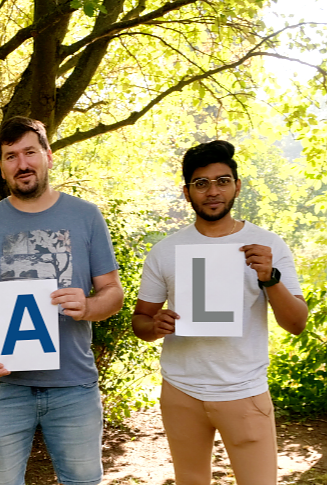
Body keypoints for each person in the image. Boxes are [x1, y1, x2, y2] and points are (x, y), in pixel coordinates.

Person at [0, 116, 124, 485]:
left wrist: (90, 306)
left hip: (74, 387)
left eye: (30, 152)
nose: (22, 164)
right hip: (2, 390)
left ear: (48, 155)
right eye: (10, 156)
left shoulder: (86, 216)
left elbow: (114, 293)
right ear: (1, 166)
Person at [132, 140, 308, 485]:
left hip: (244, 391)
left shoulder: (268, 245)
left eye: (222, 181)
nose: (213, 191)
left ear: (237, 186)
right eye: (201, 183)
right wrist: (155, 326)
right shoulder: (165, 251)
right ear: (187, 193)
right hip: (181, 391)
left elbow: (297, 324)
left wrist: (270, 279)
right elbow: (140, 321)